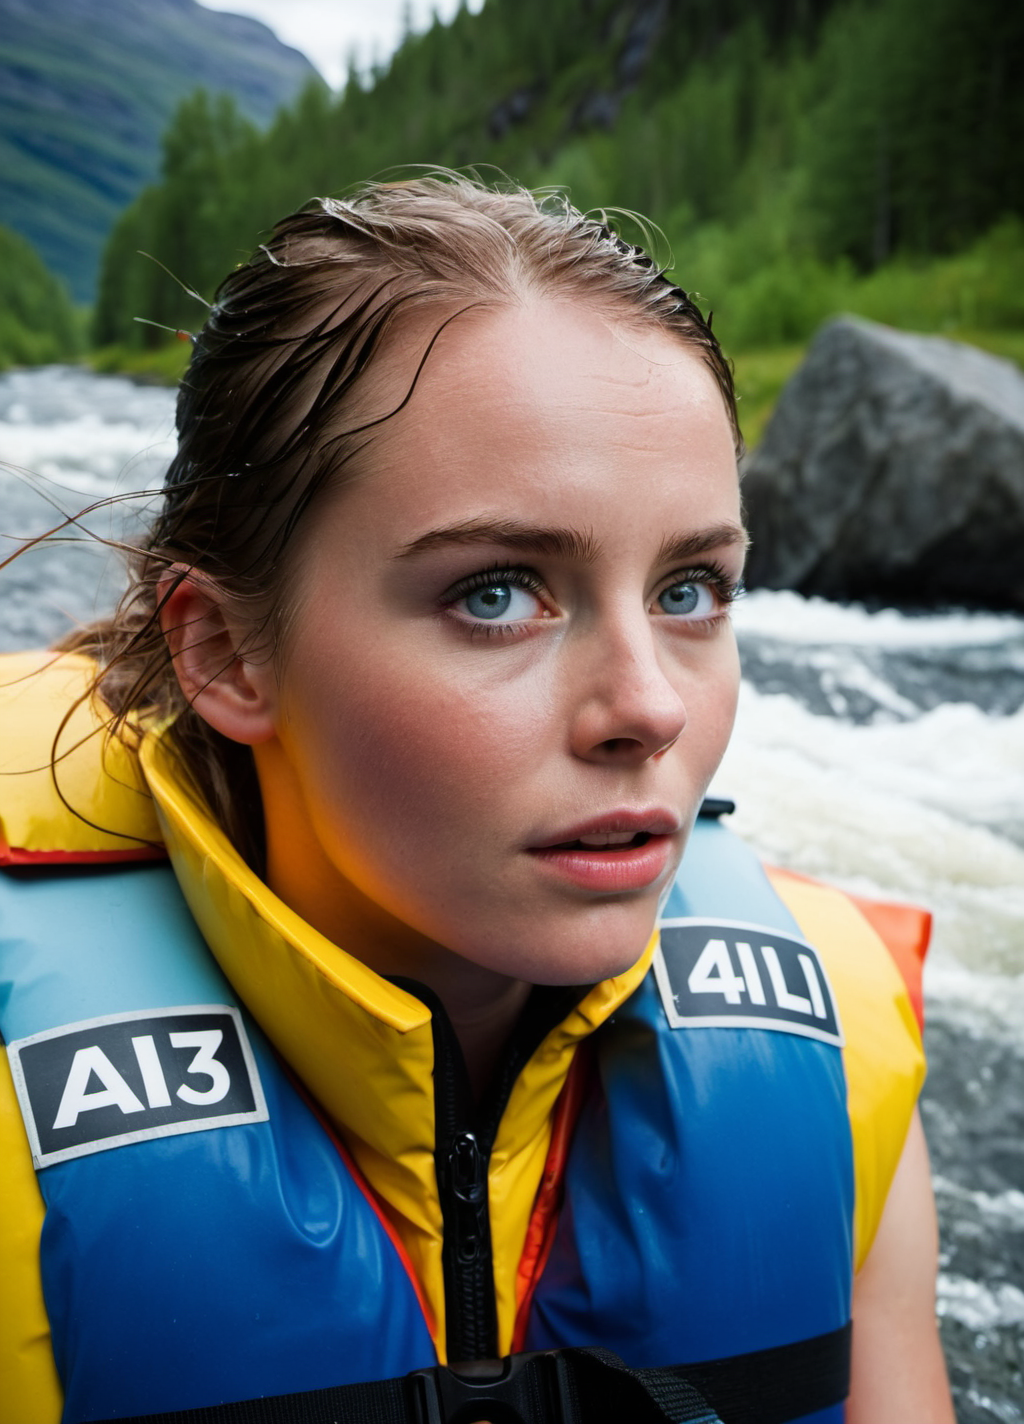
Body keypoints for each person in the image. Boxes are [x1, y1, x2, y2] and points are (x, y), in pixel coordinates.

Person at [0, 176, 954, 1424]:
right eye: (497, 593)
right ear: (227, 651)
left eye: (690, 590)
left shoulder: (839, 1046)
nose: (649, 706)